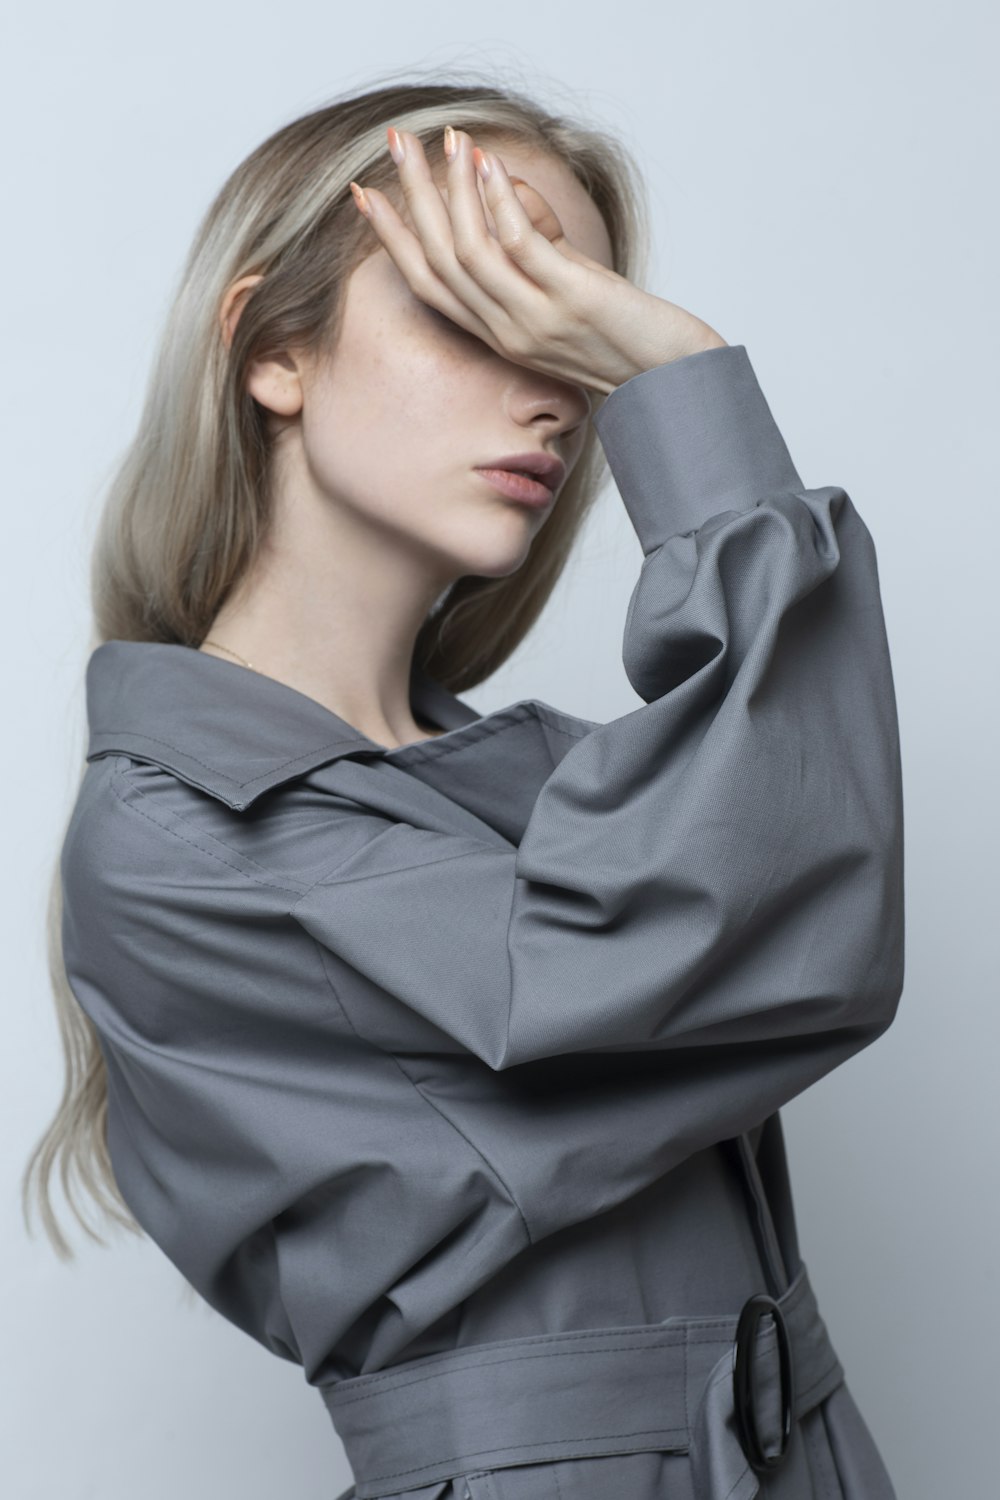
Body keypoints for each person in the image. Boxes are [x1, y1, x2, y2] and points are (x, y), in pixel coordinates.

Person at [24, 75, 905, 1500]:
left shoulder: (539, 783)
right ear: (273, 350)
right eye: (474, 296)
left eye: (575, 325)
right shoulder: (178, 836)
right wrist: (685, 378)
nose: (556, 385)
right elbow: (775, 931)